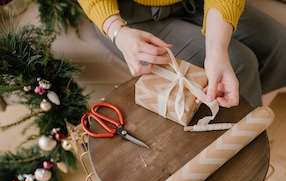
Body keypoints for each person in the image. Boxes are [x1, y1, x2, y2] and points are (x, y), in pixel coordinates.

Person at [77, 0, 286, 108]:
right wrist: (116, 31)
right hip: (124, 16)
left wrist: (217, 49)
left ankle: (249, 126)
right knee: (240, 63)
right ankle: (234, 154)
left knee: (281, 45)